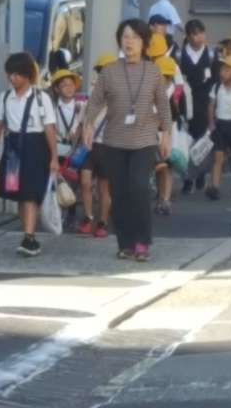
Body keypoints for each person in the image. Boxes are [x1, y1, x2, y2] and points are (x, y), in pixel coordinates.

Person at [83, 19, 172, 263]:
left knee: (139, 188)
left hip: (144, 141)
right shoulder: (110, 71)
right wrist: (88, 124)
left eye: (134, 37)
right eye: (125, 37)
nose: (129, 42)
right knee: (119, 193)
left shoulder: (153, 72)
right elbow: (95, 101)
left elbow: (163, 105)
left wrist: (166, 134)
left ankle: (142, 242)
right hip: (114, 141)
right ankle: (125, 243)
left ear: (144, 42)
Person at [0, 52, 59, 257]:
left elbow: (50, 129)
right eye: (10, 73)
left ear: (28, 75)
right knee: (18, 194)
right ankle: (29, 237)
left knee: (30, 193)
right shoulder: (5, 97)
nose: (12, 78)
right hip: (13, 149)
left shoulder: (41, 98)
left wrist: (54, 158)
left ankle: (29, 237)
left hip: (36, 147)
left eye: (17, 74)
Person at [78, 54, 116, 237]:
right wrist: (77, 134)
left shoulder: (120, 97)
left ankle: (102, 222)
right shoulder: (91, 94)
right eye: (101, 71)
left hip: (107, 147)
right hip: (89, 146)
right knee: (84, 182)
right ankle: (88, 218)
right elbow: (82, 120)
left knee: (103, 188)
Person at [180, 19, 214, 192]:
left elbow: (215, 81)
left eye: (201, 33)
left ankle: (200, 174)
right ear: (187, 36)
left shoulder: (211, 55)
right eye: (194, 34)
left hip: (204, 103)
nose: (199, 37)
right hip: (185, 102)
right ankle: (187, 179)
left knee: (201, 139)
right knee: (186, 140)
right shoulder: (180, 55)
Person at [206, 55, 231, 201]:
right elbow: (211, 105)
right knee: (218, 157)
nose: (222, 73)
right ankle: (215, 187)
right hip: (220, 125)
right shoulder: (217, 87)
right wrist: (211, 123)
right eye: (222, 69)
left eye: (227, 70)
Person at [51, 68, 85, 231]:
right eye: (64, 85)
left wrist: (78, 137)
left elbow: (87, 125)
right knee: (58, 182)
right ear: (57, 89)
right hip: (57, 149)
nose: (69, 88)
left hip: (76, 150)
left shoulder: (82, 105)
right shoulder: (52, 107)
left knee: (73, 182)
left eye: (71, 84)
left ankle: (71, 214)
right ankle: (58, 214)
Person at [154, 55, 187, 215]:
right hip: (154, 133)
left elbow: (181, 114)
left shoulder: (176, 93)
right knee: (159, 167)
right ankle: (161, 197)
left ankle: (165, 200)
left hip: (170, 133)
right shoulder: (152, 91)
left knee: (168, 166)